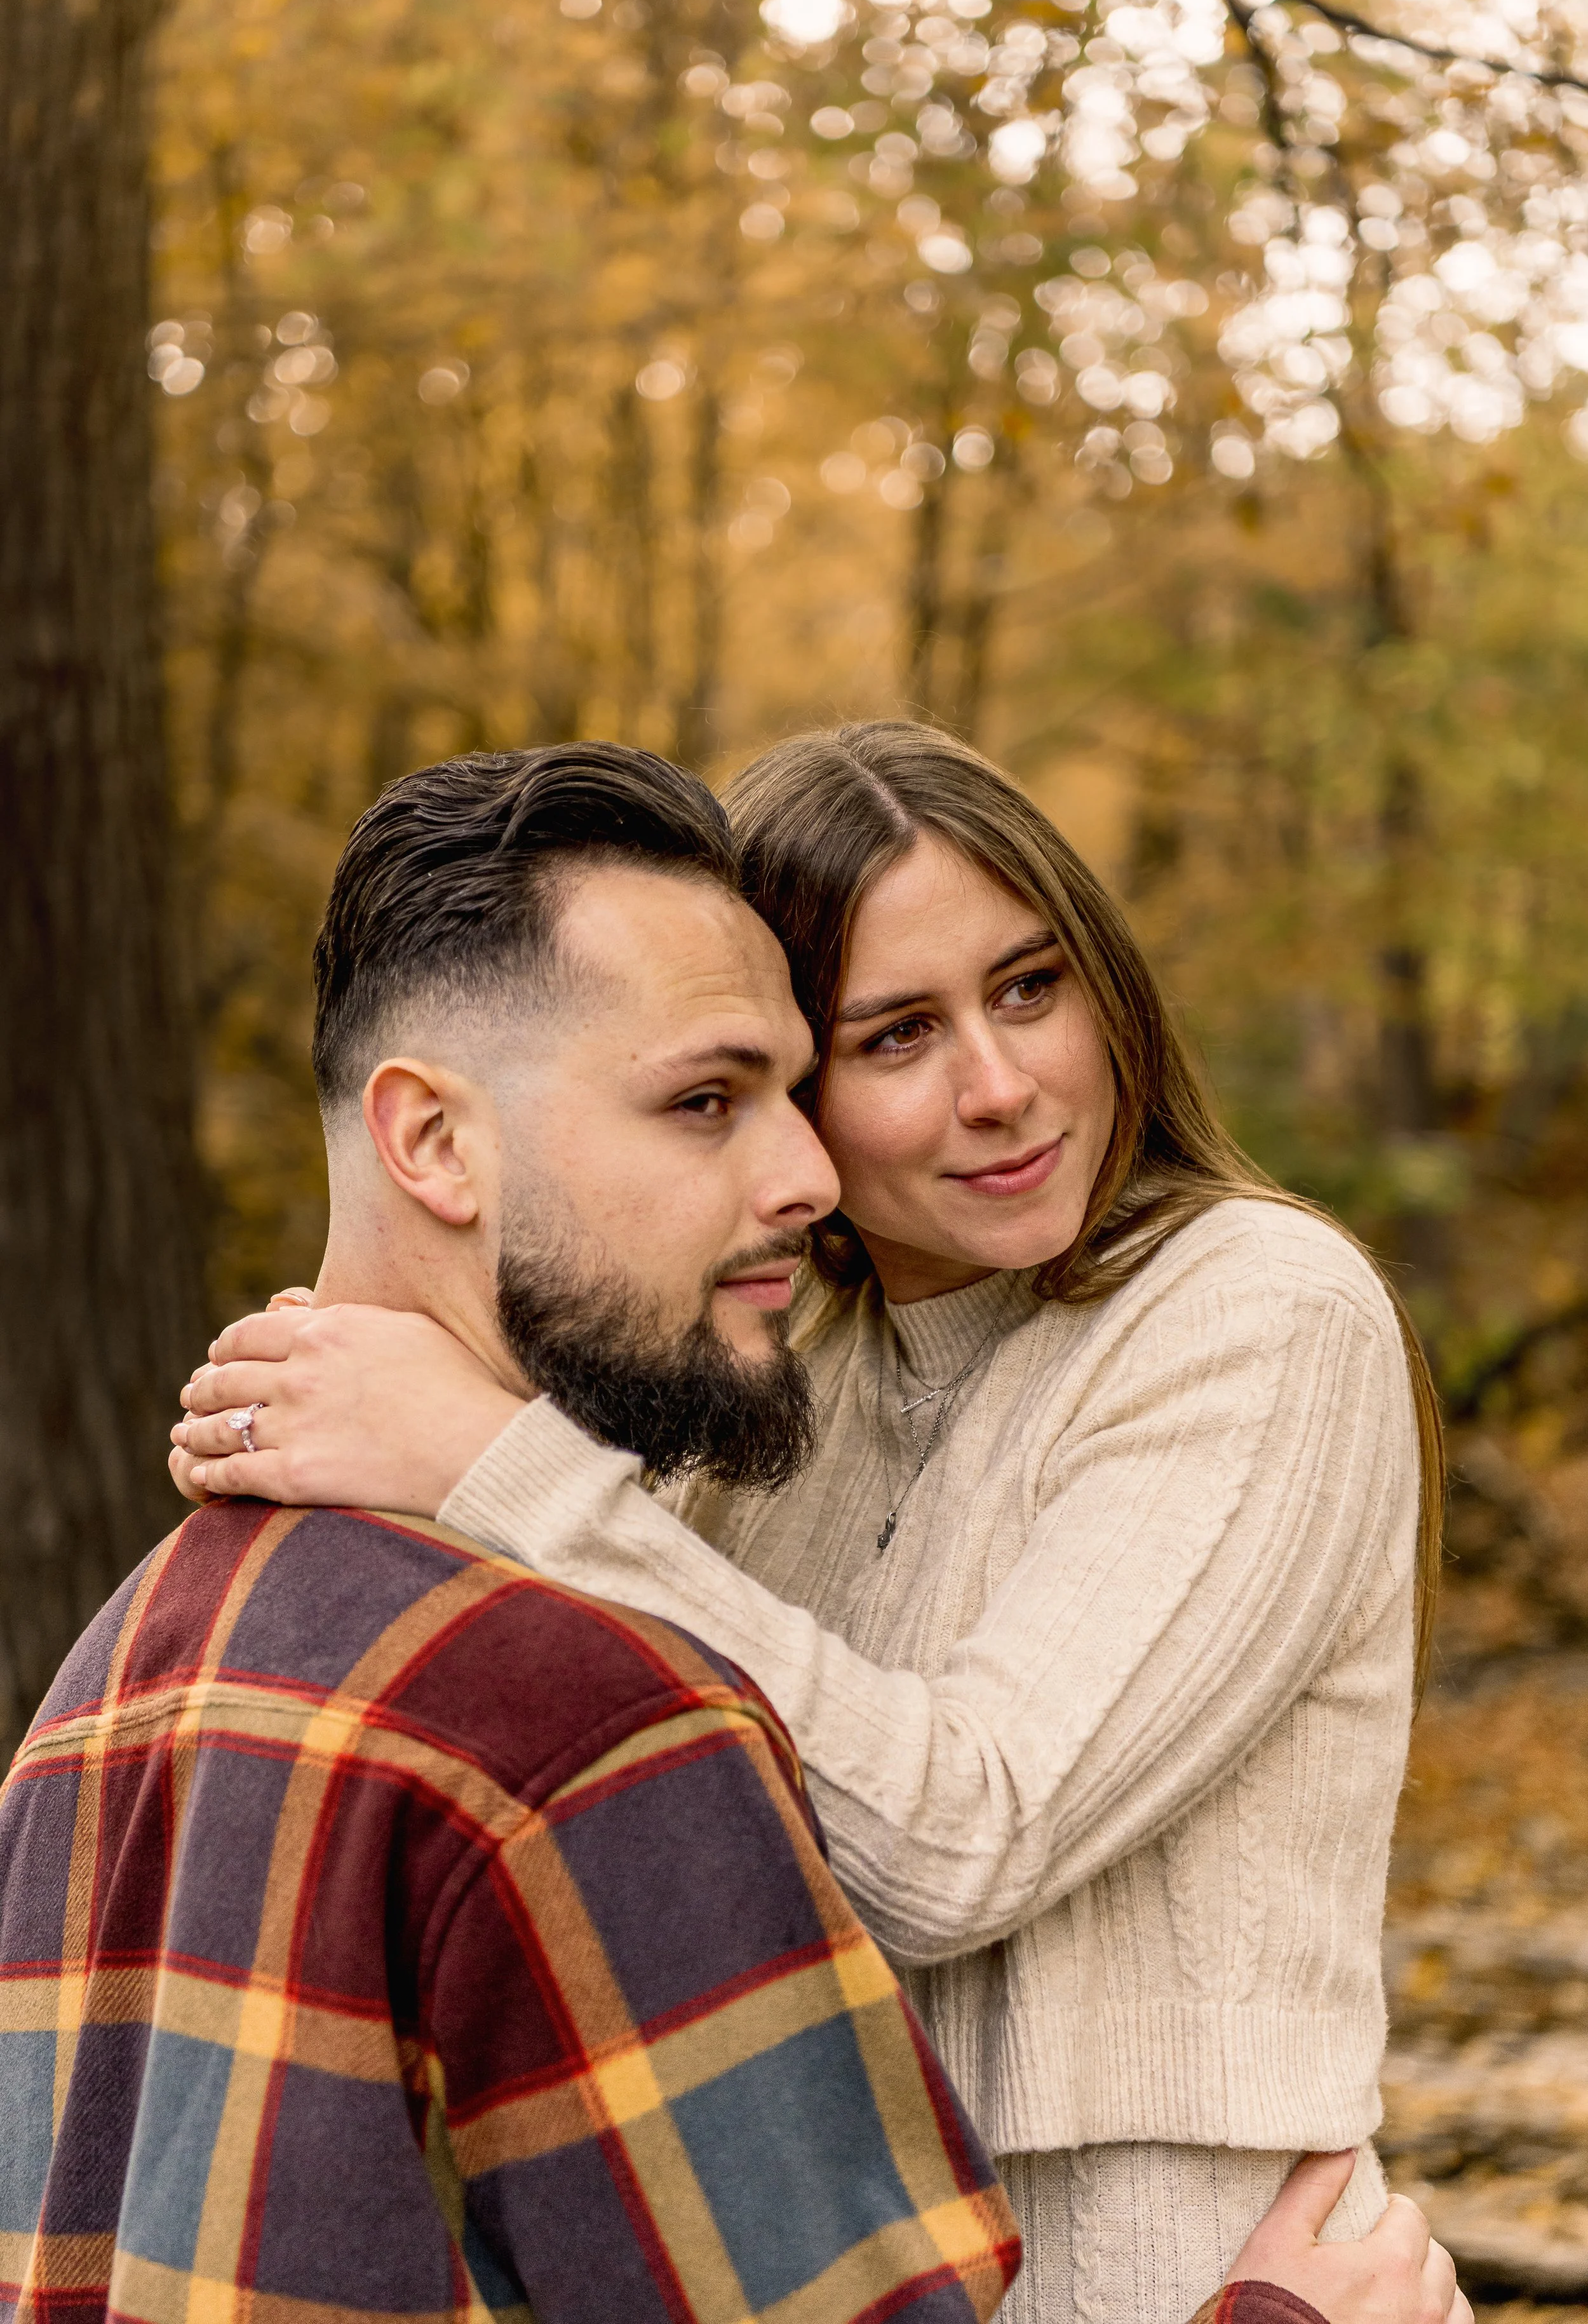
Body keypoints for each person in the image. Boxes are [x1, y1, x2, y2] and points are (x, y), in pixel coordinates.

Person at [170, 736, 1467, 2324]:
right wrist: (342, 1407)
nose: (997, 1088)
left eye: (1029, 985)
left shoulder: (1254, 1311)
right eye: (895, 1035)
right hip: (843, 2251)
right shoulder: (779, 1370)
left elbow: (964, 1832)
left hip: (1180, 2256)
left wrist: (477, 1451)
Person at [0, 748, 1022, 2324]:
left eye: (794, 1097)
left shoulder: (103, 1687)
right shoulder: (593, 1723)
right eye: (705, 1101)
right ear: (434, 1146)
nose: (810, 1177)